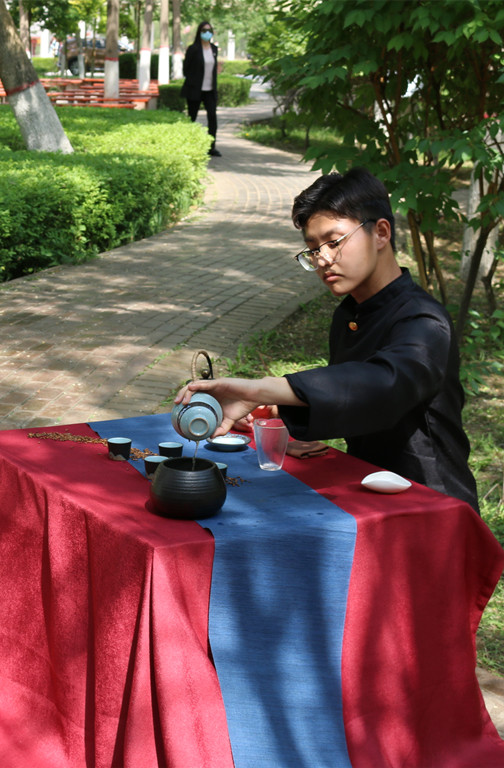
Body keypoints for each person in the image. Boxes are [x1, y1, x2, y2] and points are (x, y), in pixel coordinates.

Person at [175, 168, 479, 510]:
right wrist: (285, 419)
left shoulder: (424, 320)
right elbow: (356, 399)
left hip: (432, 501)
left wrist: (260, 387)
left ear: (380, 233)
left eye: (334, 242)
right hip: (369, 488)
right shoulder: (350, 313)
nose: (323, 260)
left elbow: (382, 385)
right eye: (313, 249)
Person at [180, 21, 220, 157]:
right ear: (199, 32)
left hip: (210, 90)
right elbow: (186, 69)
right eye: (204, 30)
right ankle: (189, 145)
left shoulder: (214, 49)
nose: (207, 33)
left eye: (209, 30)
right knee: (192, 117)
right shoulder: (193, 49)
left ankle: (211, 146)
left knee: (212, 118)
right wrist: (193, 81)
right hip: (195, 90)